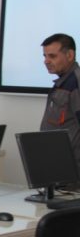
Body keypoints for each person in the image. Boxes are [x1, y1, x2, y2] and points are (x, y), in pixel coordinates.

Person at [40, 33, 80, 169]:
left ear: (69, 55)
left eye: (52, 56)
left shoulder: (75, 83)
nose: (46, 61)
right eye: (45, 56)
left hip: (72, 167)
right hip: (58, 162)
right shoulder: (63, 83)